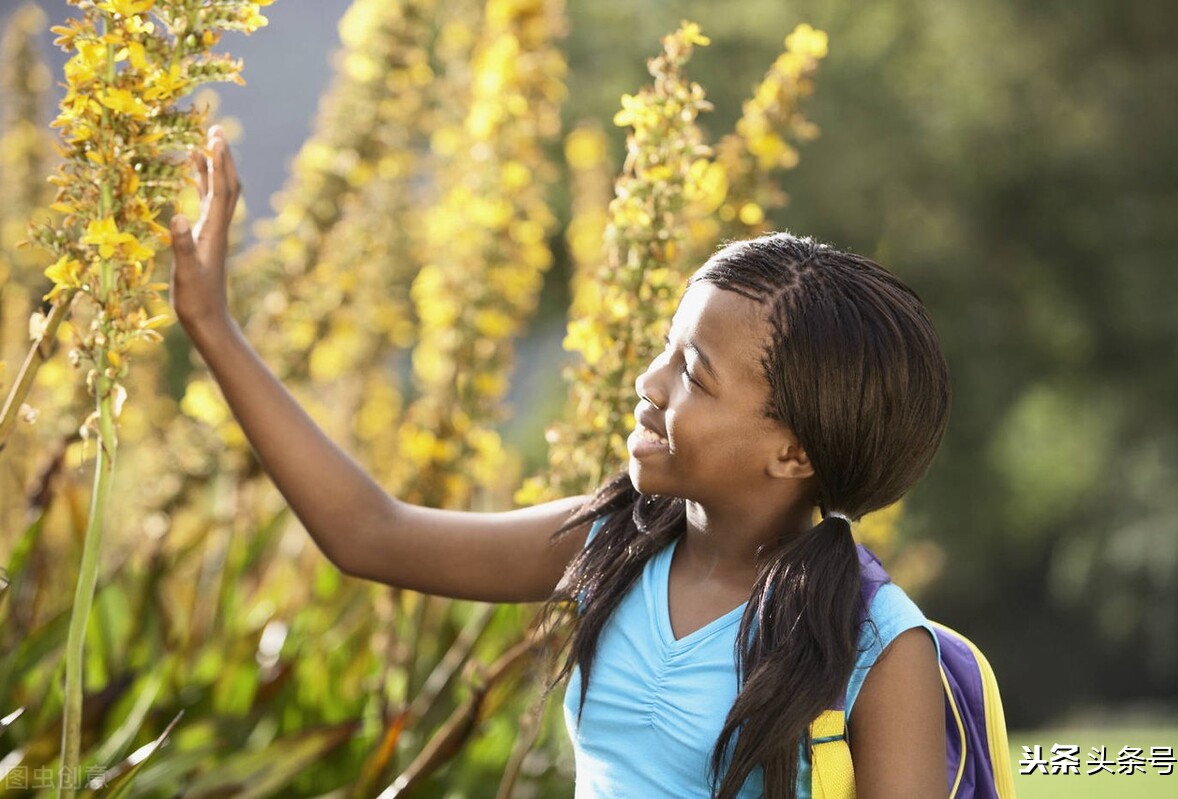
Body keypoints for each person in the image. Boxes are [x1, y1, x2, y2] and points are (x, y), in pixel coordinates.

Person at [170, 127, 950, 799]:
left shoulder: (877, 643)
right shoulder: (614, 543)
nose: (648, 384)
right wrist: (212, 323)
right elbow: (370, 533)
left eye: (693, 374)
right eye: (665, 350)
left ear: (795, 451)